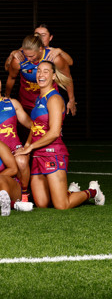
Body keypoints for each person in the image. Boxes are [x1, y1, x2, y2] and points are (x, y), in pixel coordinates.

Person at [14, 61, 104, 209]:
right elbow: (34, 127)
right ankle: (69, 191)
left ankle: (93, 191)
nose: (41, 74)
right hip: (37, 155)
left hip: (52, 153)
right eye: (39, 71)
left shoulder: (54, 98)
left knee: (62, 205)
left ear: (54, 76)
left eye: (46, 71)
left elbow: (55, 132)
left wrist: (30, 148)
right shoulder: (39, 99)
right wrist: (27, 146)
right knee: (42, 204)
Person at [5, 34, 76, 116]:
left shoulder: (55, 58)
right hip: (26, 102)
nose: (28, 59)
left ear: (40, 49)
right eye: (26, 55)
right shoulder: (18, 59)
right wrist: (7, 97)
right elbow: (11, 77)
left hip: (49, 100)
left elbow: (67, 78)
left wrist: (71, 99)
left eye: (31, 56)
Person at [5, 24, 74, 72]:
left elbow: (70, 63)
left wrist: (60, 51)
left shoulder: (53, 51)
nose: (39, 38)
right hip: (26, 91)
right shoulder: (24, 50)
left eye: (43, 35)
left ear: (50, 37)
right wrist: (12, 54)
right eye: (36, 34)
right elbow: (7, 68)